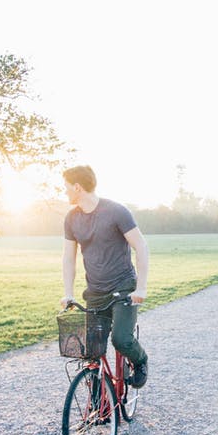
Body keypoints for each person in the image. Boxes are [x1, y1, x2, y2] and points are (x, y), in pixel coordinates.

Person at [60, 165, 149, 388]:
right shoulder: (71, 218)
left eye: (66, 187)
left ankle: (141, 361)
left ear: (77, 187)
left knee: (121, 340)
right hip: (95, 293)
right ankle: (101, 406)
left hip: (123, 289)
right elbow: (68, 258)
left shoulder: (116, 212)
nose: (65, 192)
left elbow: (141, 246)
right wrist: (68, 294)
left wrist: (141, 287)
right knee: (91, 352)